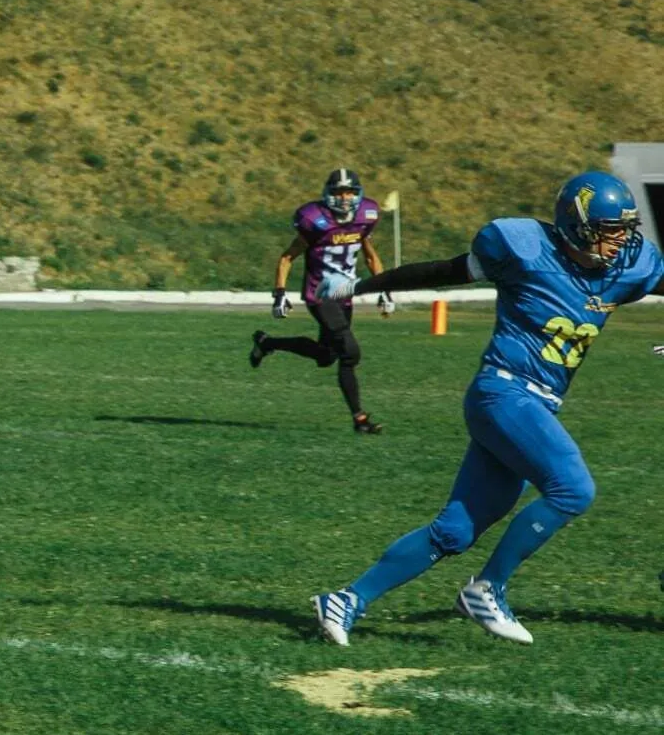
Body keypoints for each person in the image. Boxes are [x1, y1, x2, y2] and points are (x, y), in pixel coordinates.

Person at [311, 171, 662, 647]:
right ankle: (487, 588)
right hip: (503, 394)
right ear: (578, 226)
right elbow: (438, 272)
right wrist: (359, 286)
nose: (622, 240)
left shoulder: (628, 268)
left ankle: (346, 599)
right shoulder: (523, 250)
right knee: (573, 489)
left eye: (625, 228)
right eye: (610, 229)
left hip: (536, 407)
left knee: (453, 532)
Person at [249, 169, 388, 433]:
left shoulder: (364, 217)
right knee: (350, 352)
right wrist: (279, 293)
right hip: (320, 295)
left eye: (349, 192)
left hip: (345, 295)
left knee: (326, 356)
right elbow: (287, 257)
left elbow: (370, 256)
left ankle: (267, 343)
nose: (345, 198)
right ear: (328, 194)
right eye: (338, 192)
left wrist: (384, 288)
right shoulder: (314, 221)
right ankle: (360, 419)